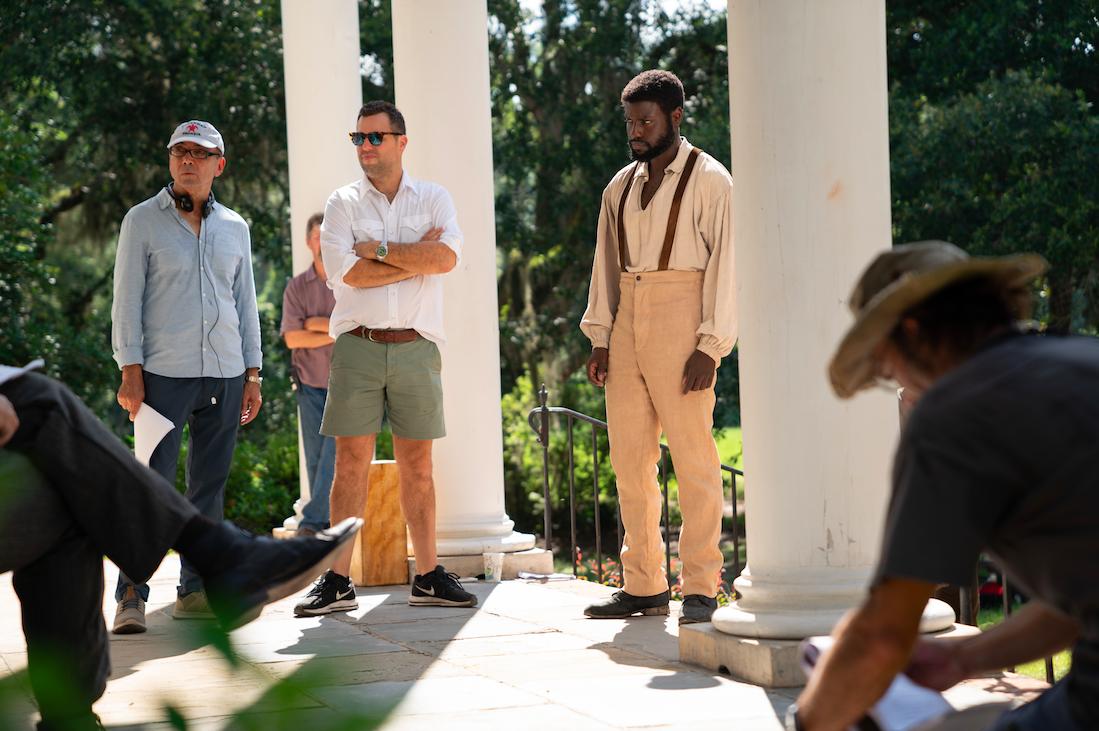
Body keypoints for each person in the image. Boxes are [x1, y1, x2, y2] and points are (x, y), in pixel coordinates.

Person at [786, 241, 1099, 731]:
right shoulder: (1080, 358)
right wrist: (963, 658)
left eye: (890, 371)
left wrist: (806, 722)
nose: (904, 391)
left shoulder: (954, 411)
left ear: (913, 331)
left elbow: (882, 637)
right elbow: (1080, 603)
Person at [0, 366, 361, 731]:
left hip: (221, 367)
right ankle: (220, 556)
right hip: (165, 367)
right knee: (37, 398)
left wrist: (253, 374)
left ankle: (72, 717)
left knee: (60, 495)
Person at [293, 100, 476, 617]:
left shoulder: (435, 197)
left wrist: (377, 249)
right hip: (358, 346)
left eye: (376, 137)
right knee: (349, 463)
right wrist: (409, 256)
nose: (366, 147)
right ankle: (337, 580)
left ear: (401, 141)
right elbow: (346, 274)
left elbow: (446, 258)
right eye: (358, 139)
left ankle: (428, 577)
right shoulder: (341, 204)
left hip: (417, 346)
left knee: (419, 466)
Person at [579, 70, 737, 624]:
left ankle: (699, 585)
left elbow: (728, 265)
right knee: (629, 458)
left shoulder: (712, 179)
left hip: (683, 312)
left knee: (693, 457)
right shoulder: (618, 186)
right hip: (628, 317)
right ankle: (644, 583)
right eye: (630, 122)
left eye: (645, 120)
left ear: (675, 116)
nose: (636, 131)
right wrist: (600, 337)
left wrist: (710, 345)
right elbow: (606, 266)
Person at [110, 120, 264, 631]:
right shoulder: (141, 221)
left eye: (200, 153)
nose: (188, 161)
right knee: (152, 486)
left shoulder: (236, 228)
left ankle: (194, 591)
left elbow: (245, 303)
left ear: (219, 165)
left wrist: (253, 372)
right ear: (170, 161)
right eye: (180, 152)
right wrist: (129, 370)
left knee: (208, 488)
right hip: (161, 377)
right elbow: (126, 301)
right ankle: (131, 592)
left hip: (223, 373)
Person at [281, 212, 337, 537]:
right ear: (308, 241)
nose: (321, 243)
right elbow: (292, 338)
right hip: (309, 383)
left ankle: (312, 522)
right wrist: (333, 331)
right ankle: (328, 524)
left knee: (333, 454)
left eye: (326, 237)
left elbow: (355, 328)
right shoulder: (297, 287)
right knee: (316, 460)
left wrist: (314, 323)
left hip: (344, 385)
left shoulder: (347, 280)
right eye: (316, 236)